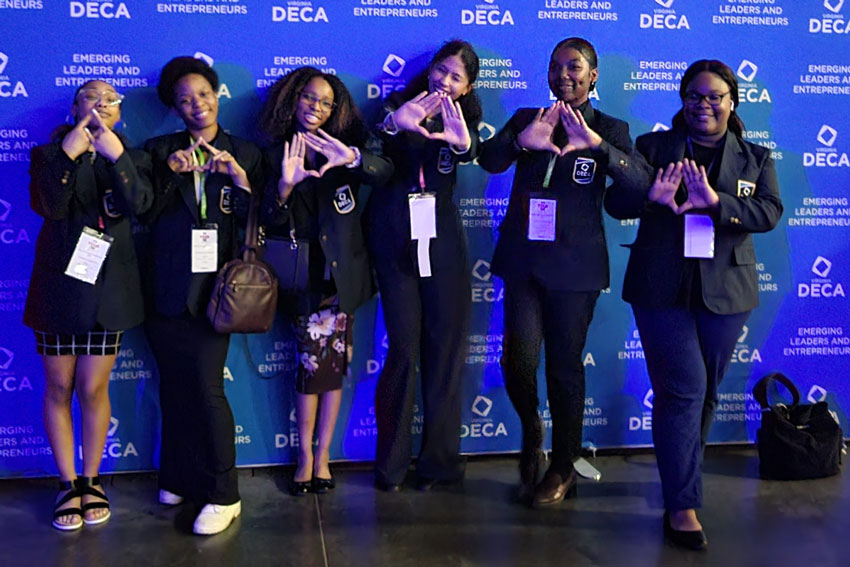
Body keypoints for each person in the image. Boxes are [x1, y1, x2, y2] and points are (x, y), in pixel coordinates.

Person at [604, 59, 783, 550]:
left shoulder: (757, 158)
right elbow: (615, 204)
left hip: (726, 293)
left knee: (704, 393)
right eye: (695, 95)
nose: (704, 104)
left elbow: (769, 211)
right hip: (661, 288)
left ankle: (680, 474)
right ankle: (682, 505)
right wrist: (650, 200)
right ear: (682, 99)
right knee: (683, 391)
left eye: (715, 96)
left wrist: (715, 202)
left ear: (732, 102)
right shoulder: (652, 148)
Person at [478, 37, 650, 507]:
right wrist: (520, 142)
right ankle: (533, 429)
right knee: (520, 362)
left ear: (593, 76)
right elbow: (489, 160)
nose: (563, 75)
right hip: (523, 261)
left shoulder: (611, 128)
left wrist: (595, 147)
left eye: (575, 67)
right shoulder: (527, 120)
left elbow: (638, 183)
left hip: (576, 269)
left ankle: (563, 464)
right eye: (555, 67)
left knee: (564, 367)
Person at [141, 56, 263, 535]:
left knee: (208, 389)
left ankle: (223, 493)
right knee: (173, 387)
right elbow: (143, 215)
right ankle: (178, 475)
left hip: (220, 295)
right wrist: (171, 174)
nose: (197, 105)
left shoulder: (245, 153)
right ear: (174, 106)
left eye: (204, 94)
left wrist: (241, 182)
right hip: (167, 290)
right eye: (185, 99)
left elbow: (265, 222)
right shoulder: (156, 152)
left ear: (218, 95)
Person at [257, 67, 392, 495]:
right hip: (302, 279)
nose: (316, 107)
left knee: (332, 370)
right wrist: (283, 186)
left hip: (343, 278)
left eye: (326, 102)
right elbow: (266, 220)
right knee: (313, 368)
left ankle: (322, 457)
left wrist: (350, 158)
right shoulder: (274, 150)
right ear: (292, 99)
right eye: (309, 98)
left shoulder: (345, 147)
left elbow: (383, 171)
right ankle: (306, 459)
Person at [24, 80, 152, 530]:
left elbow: (142, 206)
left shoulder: (132, 157)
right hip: (59, 289)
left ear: (119, 112)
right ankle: (66, 483)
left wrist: (118, 157)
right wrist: (68, 153)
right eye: (90, 98)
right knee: (58, 388)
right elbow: (50, 206)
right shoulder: (47, 155)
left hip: (109, 291)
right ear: (74, 106)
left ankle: (92, 480)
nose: (101, 105)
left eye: (110, 100)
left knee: (93, 389)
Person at [366, 39, 482, 491]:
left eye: (456, 76)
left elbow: (469, 154)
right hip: (394, 233)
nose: (444, 81)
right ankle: (390, 466)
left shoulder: (466, 117)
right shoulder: (398, 104)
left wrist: (461, 143)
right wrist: (396, 126)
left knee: (446, 352)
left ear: (468, 85)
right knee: (402, 351)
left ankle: (440, 463)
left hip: (443, 239)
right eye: (441, 70)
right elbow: (374, 154)